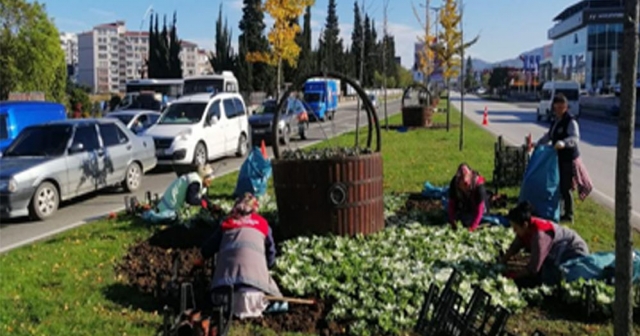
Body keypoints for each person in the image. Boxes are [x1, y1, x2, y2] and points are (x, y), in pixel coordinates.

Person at [200, 193, 282, 319]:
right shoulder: (263, 224)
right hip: (256, 298)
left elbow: (206, 250)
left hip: (223, 296)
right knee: (279, 300)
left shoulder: (227, 223)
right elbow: (271, 256)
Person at [500, 201, 589, 288]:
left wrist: (511, 276)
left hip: (573, 250)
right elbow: (514, 246)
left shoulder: (540, 236)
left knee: (550, 280)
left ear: (525, 225)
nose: (514, 231)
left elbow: (533, 268)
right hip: (557, 249)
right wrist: (501, 262)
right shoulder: (525, 228)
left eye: (515, 228)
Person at [536, 93, 590, 223]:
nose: (559, 109)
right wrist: (538, 144)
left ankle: (569, 214)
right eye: (557, 107)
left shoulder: (571, 121)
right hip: (558, 158)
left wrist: (564, 143)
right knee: (557, 184)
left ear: (566, 107)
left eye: (562, 107)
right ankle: (558, 210)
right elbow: (549, 136)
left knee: (566, 186)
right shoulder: (555, 121)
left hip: (569, 158)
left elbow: (575, 138)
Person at [447, 163, 490, 232]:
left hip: (479, 209)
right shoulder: (454, 184)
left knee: (471, 219)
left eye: (466, 184)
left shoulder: (479, 187)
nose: (464, 187)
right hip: (465, 205)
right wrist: (452, 220)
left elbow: (480, 210)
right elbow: (451, 204)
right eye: (462, 184)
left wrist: (472, 228)